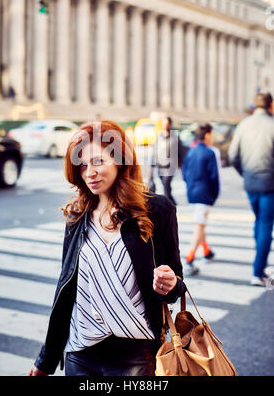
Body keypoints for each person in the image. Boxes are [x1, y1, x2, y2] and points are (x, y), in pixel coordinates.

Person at [28, 120, 186, 377]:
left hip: (136, 353)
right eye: (82, 165)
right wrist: (46, 359)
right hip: (80, 351)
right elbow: (66, 291)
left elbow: (177, 284)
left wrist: (169, 284)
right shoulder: (77, 216)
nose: (89, 172)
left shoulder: (157, 210)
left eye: (98, 161)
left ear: (120, 160)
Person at [228, 92, 274, 287]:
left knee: (259, 220)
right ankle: (258, 271)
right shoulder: (272, 124)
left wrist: (245, 173)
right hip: (270, 183)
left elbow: (232, 155)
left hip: (251, 183)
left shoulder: (244, 125)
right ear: (270, 105)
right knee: (265, 224)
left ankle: (259, 261)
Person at [182, 123, 220, 276]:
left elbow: (184, 174)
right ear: (206, 135)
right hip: (204, 194)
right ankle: (189, 259)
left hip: (192, 193)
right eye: (212, 135)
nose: (213, 138)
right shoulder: (209, 153)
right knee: (199, 226)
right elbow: (214, 177)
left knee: (201, 224)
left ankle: (206, 251)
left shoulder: (190, 151)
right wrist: (214, 195)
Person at [149, 116, 185, 206]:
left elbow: (181, 151)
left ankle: (168, 206)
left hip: (170, 167)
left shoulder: (175, 137)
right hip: (160, 166)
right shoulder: (159, 136)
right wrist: (152, 167)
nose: (165, 126)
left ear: (170, 124)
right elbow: (155, 152)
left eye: (166, 124)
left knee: (166, 185)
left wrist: (182, 164)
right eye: (163, 124)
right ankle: (172, 202)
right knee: (165, 186)